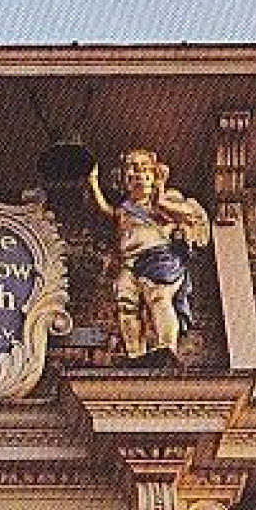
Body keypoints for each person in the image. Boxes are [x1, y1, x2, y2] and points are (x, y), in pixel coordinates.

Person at [89, 148, 210, 365]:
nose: (137, 175)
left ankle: (166, 347)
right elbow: (106, 209)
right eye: (131, 170)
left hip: (159, 259)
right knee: (126, 306)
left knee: (159, 298)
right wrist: (93, 183)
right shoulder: (125, 208)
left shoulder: (168, 201)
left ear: (155, 175)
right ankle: (135, 354)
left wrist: (160, 195)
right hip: (129, 263)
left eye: (144, 170)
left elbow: (190, 215)